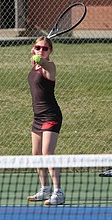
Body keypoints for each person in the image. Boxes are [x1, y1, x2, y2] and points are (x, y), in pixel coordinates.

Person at [27, 36, 65, 205]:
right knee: (36, 155)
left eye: (45, 48)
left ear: (51, 51)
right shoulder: (34, 66)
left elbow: (44, 63)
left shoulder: (49, 66)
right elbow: (36, 61)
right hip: (37, 117)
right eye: (38, 47)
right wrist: (34, 57)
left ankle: (58, 192)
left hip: (51, 116)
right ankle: (45, 189)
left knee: (47, 154)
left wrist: (37, 57)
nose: (41, 50)